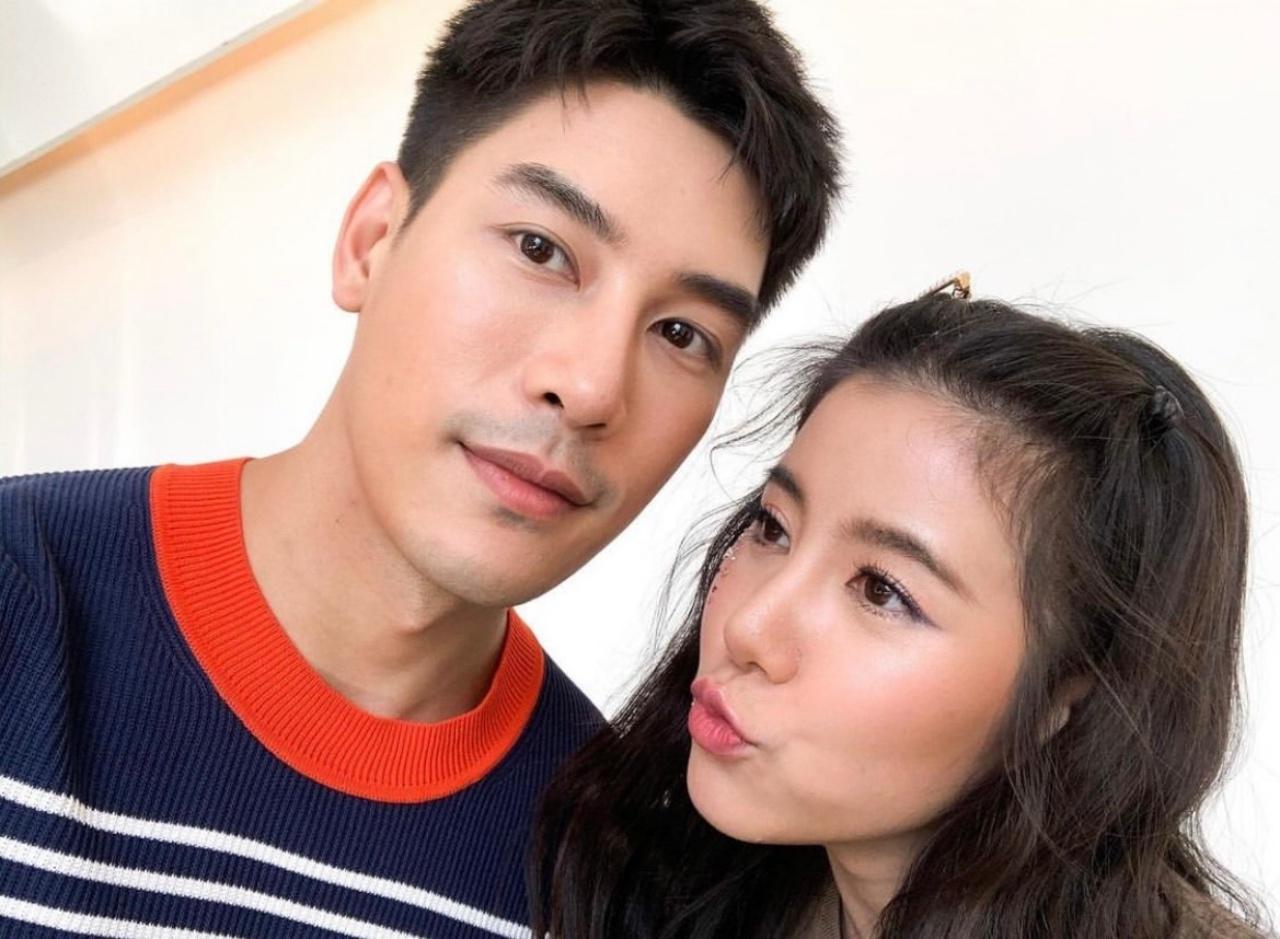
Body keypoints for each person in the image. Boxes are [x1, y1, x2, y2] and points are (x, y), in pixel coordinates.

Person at [0, 1, 840, 935]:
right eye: (541, 250)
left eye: (682, 333)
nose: (591, 386)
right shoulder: (21, 603)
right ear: (371, 240)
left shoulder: (608, 881)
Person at [532, 285, 1269, 938]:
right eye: (772, 527)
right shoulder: (663, 883)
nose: (747, 628)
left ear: (1065, 698)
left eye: (882, 590)